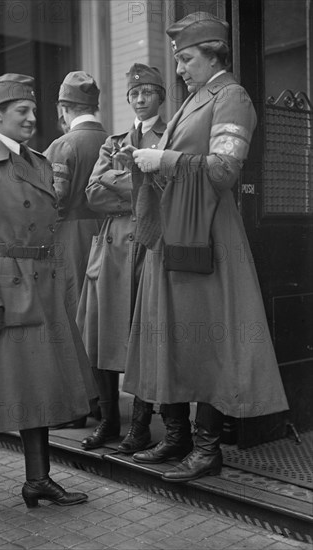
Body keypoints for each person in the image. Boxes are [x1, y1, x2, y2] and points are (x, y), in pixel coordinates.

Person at [122, 12, 289, 481]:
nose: (178, 69)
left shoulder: (231, 95)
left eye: (187, 58)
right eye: (178, 59)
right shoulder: (194, 99)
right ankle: (176, 439)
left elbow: (223, 170)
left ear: (215, 54)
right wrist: (144, 162)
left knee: (209, 337)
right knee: (174, 333)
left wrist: (165, 157)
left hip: (210, 235)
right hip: (181, 229)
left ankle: (207, 449)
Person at [0, 73, 97, 509]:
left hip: (42, 289)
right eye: (22, 111)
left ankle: (37, 480)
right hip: (2, 291)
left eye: (33, 110)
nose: (32, 117)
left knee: (39, 386)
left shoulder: (40, 162)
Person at [77, 64, 166, 452]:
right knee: (101, 335)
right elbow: (91, 194)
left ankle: (141, 427)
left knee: (143, 335)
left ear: (160, 96)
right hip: (111, 248)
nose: (141, 99)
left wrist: (124, 180)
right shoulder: (113, 142)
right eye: (134, 94)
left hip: (148, 244)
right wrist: (134, 180)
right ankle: (110, 422)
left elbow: (163, 186)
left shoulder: (170, 136)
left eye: (148, 92)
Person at [44, 71, 108, 314]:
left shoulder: (61, 146)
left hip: (69, 242)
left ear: (63, 107)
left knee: (71, 315)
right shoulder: (114, 141)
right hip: (109, 236)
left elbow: (52, 202)